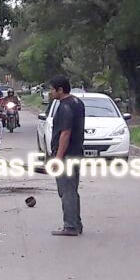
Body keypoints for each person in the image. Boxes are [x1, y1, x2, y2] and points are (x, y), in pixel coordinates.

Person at [47, 75, 85, 236]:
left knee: (66, 190)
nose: (50, 92)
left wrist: (58, 157)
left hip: (66, 156)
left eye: (51, 89)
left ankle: (70, 226)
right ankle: (76, 222)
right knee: (72, 189)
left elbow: (65, 133)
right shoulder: (77, 102)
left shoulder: (65, 107)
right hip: (76, 153)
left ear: (60, 90)